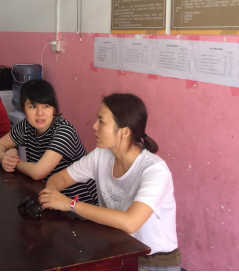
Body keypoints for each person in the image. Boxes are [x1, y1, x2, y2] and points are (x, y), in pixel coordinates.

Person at [38, 94, 180, 271]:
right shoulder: (101, 155)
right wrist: (51, 194)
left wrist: (70, 204)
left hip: (152, 260)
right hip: (117, 249)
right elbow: (60, 178)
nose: (94, 126)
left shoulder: (155, 170)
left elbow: (130, 222)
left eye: (101, 121)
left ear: (125, 131)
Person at [0, 79, 97, 205]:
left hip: (80, 202)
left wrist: (14, 162)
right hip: (50, 196)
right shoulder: (26, 125)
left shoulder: (64, 131)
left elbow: (38, 172)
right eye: (33, 106)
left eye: (46, 106)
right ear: (22, 108)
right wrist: (3, 157)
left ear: (53, 108)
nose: (40, 113)